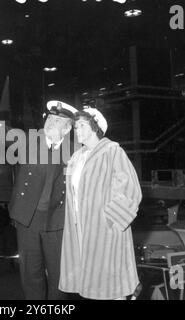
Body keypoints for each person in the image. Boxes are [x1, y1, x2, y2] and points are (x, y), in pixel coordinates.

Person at [0, 98, 79, 300]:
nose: (50, 122)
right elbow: (6, 134)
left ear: (67, 128)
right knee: (30, 275)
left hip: (58, 220)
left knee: (59, 277)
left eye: (57, 121)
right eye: (50, 118)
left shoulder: (76, 150)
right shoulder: (30, 140)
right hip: (27, 218)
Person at [59, 106, 142, 300]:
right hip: (81, 229)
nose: (76, 130)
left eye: (81, 125)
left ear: (95, 127)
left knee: (112, 287)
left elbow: (130, 190)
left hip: (106, 230)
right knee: (92, 284)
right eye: (75, 126)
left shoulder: (112, 151)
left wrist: (110, 220)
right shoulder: (76, 158)